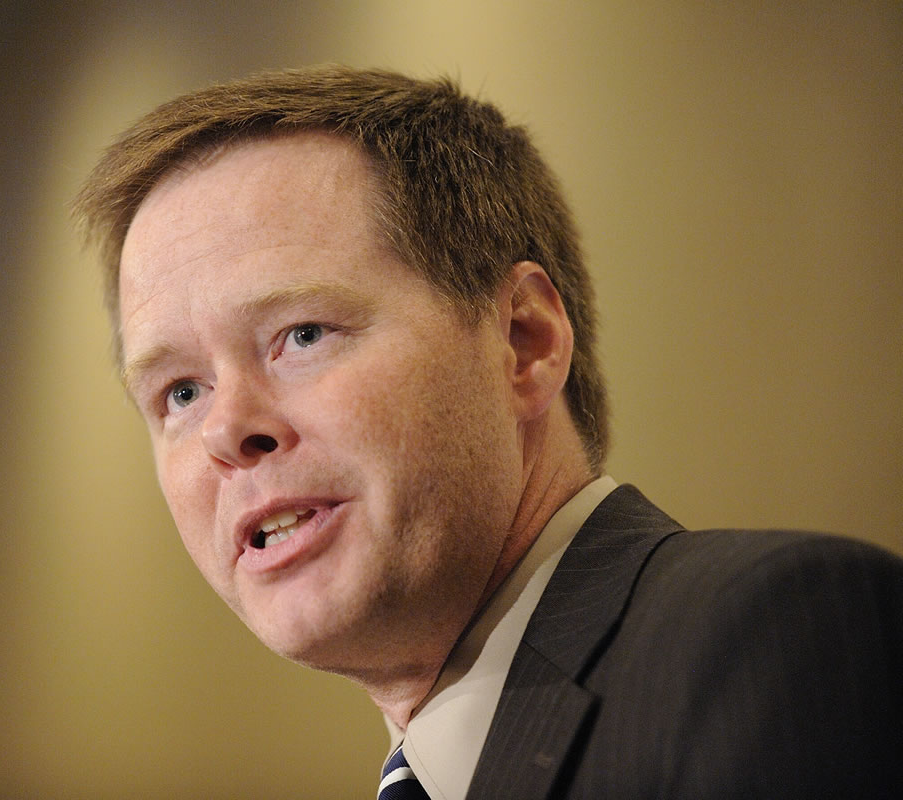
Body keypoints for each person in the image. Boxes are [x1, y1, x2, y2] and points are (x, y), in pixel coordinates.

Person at [73, 66, 903, 799]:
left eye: (303, 334)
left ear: (524, 341)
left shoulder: (771, 644)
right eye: (180, 390)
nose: (225, 430)